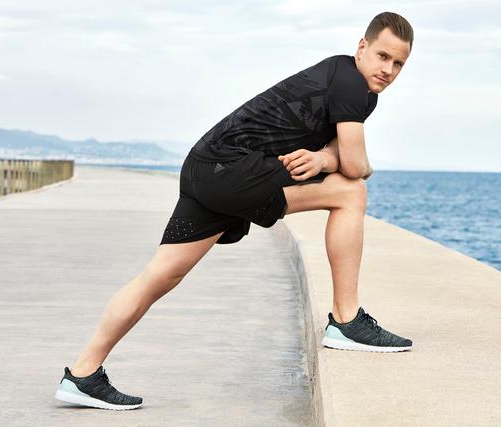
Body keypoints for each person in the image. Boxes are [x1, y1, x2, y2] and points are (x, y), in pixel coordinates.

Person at [54, 11, 414, 410]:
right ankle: (346, 320)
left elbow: (336, 149)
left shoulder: (342, 78)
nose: (388, 70)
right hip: (233, 171)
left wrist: (326, 157)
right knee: (351, 193)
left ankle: (83, 373)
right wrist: (330, 161)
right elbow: (356, 164)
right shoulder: (351, 82)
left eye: (399, 63)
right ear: (362, 47)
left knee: (160, 275)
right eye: (383, 56)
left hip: (205, 165)